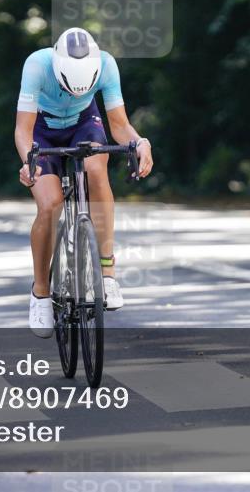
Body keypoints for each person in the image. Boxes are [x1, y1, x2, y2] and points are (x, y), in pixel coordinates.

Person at [15, 28, 154, 338]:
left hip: (83, 124)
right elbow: (23, 131)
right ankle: (40, 292)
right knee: (50, 204)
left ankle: (107, 272)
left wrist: (140, 142)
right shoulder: (37, 65)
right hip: (41, 130)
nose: (75, 93)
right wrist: (28, 161)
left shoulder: (105, 64)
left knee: (96, 167)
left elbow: (119, 126)